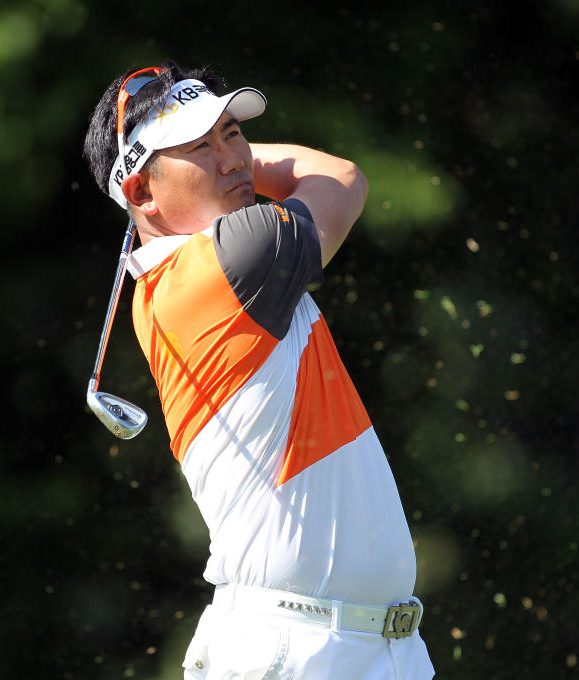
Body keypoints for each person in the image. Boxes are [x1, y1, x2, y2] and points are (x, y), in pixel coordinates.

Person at [83, 61, 434, 680]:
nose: (232, 159)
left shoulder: (194, 273)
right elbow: (340, 177)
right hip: (296, 650)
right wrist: (241, 162)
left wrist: (215, 156)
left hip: (371, 648)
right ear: (140, 192)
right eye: (200, 146)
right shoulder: (229, 264)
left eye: (233, 134)